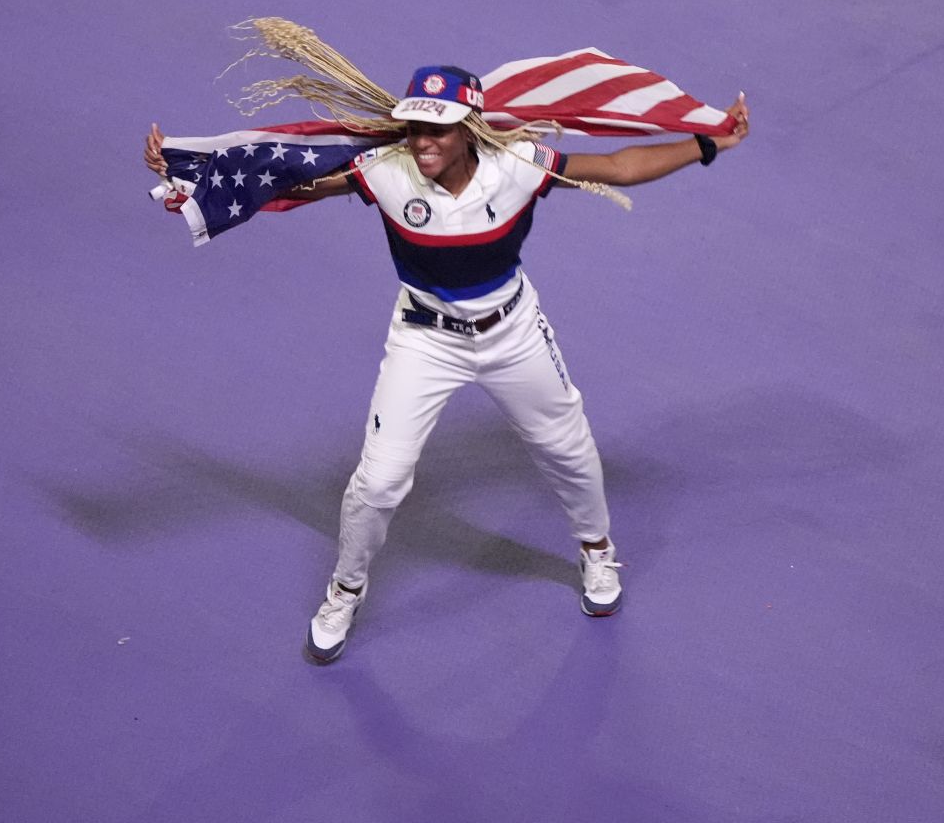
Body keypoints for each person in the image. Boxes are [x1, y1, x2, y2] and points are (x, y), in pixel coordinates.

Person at [142, 64, 750, 664]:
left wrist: (707, 143)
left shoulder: (521, 166)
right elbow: (290, 181)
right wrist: (194, 175)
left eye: (438, 131)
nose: (422, 143)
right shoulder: (384, 171)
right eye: (413, 128)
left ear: (470, 129)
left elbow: (617, 168)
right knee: (378, 483)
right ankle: (344, 592)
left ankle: (596, 550)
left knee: (569, 448)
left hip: (513, 331)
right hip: (424, 342)